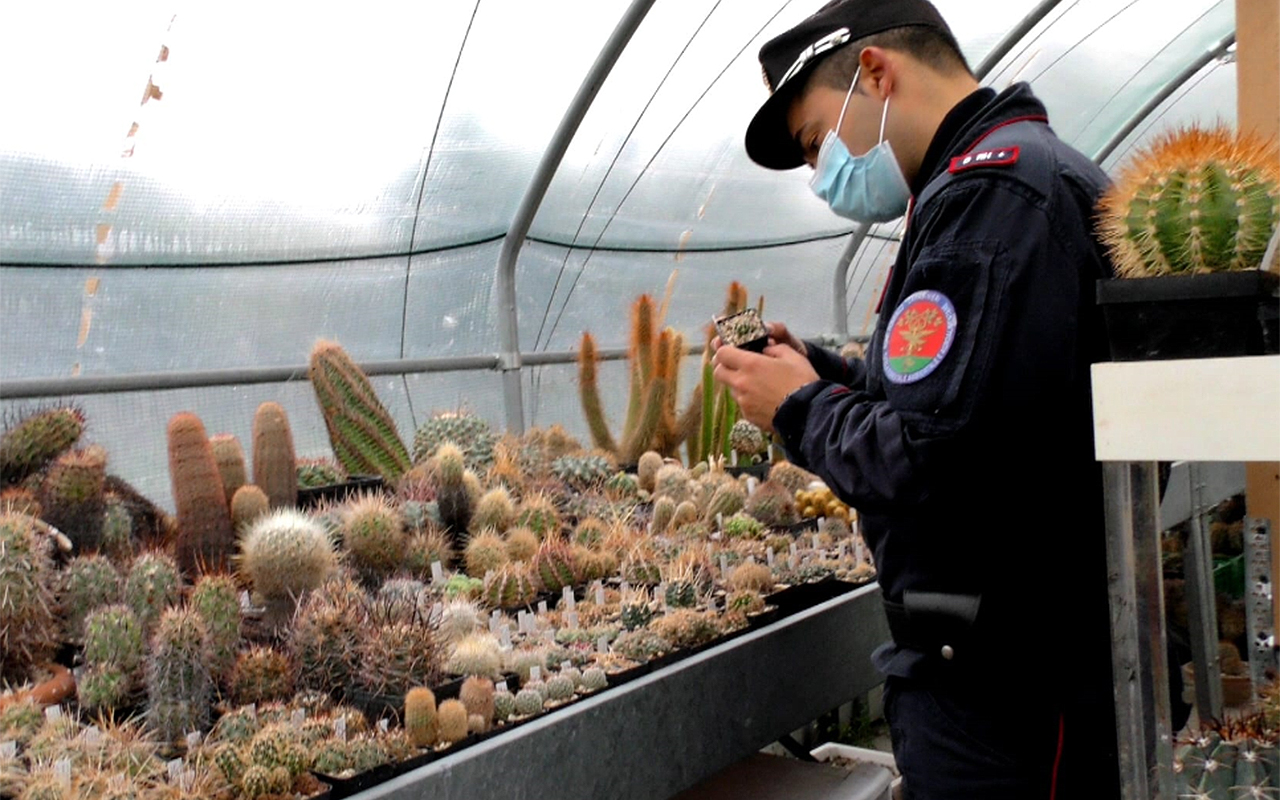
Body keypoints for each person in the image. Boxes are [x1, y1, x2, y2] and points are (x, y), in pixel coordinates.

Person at [710, 1, 1122, 797]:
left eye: (814, 141)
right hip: (1008, 672)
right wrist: (821, 370)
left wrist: (798, 408)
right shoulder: (1007, 179)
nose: (818, 173)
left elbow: (933, 459)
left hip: (1004, 695)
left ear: (874, 73)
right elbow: (967, 402)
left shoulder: (992, 200)